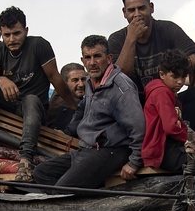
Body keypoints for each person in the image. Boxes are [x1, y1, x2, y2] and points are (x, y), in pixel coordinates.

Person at [0, 7, 65, 183]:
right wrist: (1, 80)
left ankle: (25, 160)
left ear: (26, 30)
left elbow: (56, 78)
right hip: (9, 104)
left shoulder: (39, 45)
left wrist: (75, 107)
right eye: (7, 35)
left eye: (17, 33)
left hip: (32, 108)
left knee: (31, 99)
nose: (12, 39)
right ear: (1, 33)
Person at [34, 36, 143, 189]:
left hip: (111, 150)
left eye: (97, 56)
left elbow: (138, 127)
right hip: (86, 149)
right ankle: (78, 198)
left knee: (63, 189)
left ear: (109, 58)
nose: (92, 62)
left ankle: (71, 198)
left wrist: (134, 162)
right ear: (83, 60)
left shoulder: (121, 87)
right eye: (88, 57)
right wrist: (68, 131)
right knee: (41, 173)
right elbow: (81, 109)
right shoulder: (91, 82)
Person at [107, 0, 195, 88]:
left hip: (167, 95)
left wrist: (179, 66)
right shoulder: (116, 39)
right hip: (132, 100)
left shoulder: (168, 29)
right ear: (124, 12)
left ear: (151, 7)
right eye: (131, 10)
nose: (137, 14)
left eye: (141, 8)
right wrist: (131, 38)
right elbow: (117, 77)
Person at [142, 50, 193, 174]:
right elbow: (170, 127)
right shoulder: (162, 93)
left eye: (183, 76)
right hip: (163, 151)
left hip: (165, 149)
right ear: (162, 74)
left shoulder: (163, 91)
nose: (180, 81)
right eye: (175, 77)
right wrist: (189, 139)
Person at [45, 63, 87, 134]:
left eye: (83, 79)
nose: (81, 84)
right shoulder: (62, 103)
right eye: (75, 80)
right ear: (64, 83)